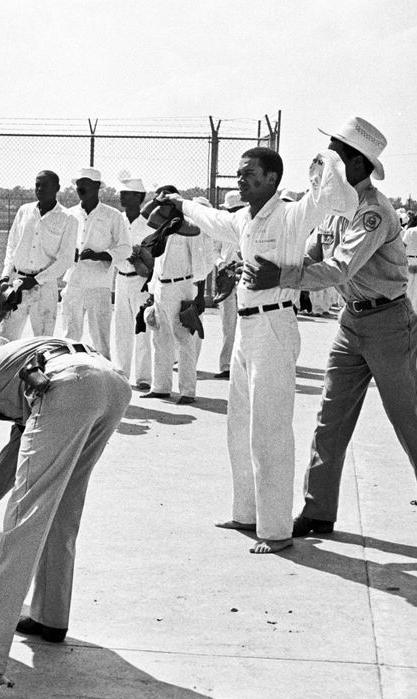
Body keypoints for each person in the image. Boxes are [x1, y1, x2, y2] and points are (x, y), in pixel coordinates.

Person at [242, 116, 417, 540]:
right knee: (330, 417)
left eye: (338, 158)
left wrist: (283, 276)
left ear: (358, 166)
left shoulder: (373, 212)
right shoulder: (332, 209)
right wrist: (261, 266)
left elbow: (339, 267)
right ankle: (319, 511)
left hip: (388, 323)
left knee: (405, 417)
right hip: (352, 322)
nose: (328, 167)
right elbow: (307, 257)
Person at [158, 143, 358, 553]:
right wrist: (180, 202)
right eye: (239, 173)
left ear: (272, 178)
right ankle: (246, 513)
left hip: (274, 324)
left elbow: (325, 199)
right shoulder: (245, 220)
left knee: (270, 432)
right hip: (248, 330)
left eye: (249, 173)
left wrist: (327, 158)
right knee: (240, 428)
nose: (240, 179)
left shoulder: (289, 214)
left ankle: (276, 529)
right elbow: (210, 218)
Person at [0, 335, 130, 698]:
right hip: (110, 383)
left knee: (21, 529)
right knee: (63, 507)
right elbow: (10, 462)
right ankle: (50, 616)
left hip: (68, 385)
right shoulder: (12, 369)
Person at [142, 184, 206, 405]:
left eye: (168, 203)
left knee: (184, 338)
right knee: (159, 337)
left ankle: (187, 390)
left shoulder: (188, 227)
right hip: (161, 287)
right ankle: (160, 387)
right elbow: (158, 262)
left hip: (182, 286)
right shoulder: (162, 227)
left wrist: (198, 295)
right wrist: (152, 291)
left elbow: (199, 263)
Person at [0, 171, 78, 341]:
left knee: (41, 343)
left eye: (45, 185)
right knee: (5, 340)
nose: (39, 189)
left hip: (44, 287)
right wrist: (5, 276)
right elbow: (12, 246)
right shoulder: (24, 211)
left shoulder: (68, 218)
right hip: (16, 284)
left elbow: (66, 259)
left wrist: (36, 280)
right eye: (37, 185)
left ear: (57, 188)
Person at [60, 168, 131, 357]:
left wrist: (100, 255)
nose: (80, 187)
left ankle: (104, 378)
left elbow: (125, 248)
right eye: (78, 184)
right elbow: (58, 246)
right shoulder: (69, 214)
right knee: (69, 337)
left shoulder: (112, 215)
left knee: (100, 339)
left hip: (99, 285)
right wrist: (69, 253)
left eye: (86, 183)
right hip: (73, 282)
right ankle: (68, 375)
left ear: (97, 186)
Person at [111, 173, 154, 390]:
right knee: (121, 328)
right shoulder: (116, 220)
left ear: (139, 197)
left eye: (128, 194)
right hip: (121, 279)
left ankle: (144, 376)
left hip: (140, 281)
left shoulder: (148, 226)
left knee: (142, 328)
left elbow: (152, 257)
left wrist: (137, 256)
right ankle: (121, 373)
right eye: (122, 194)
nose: (123, 198)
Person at [213, 189, 245, 378]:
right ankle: (226, 365)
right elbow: (213, 252)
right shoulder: (222, 228)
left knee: (246, 322)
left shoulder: (250, 226)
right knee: (228, 323)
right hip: (226, 277)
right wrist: (222, 264)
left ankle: (242, 366)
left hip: (244, 276)